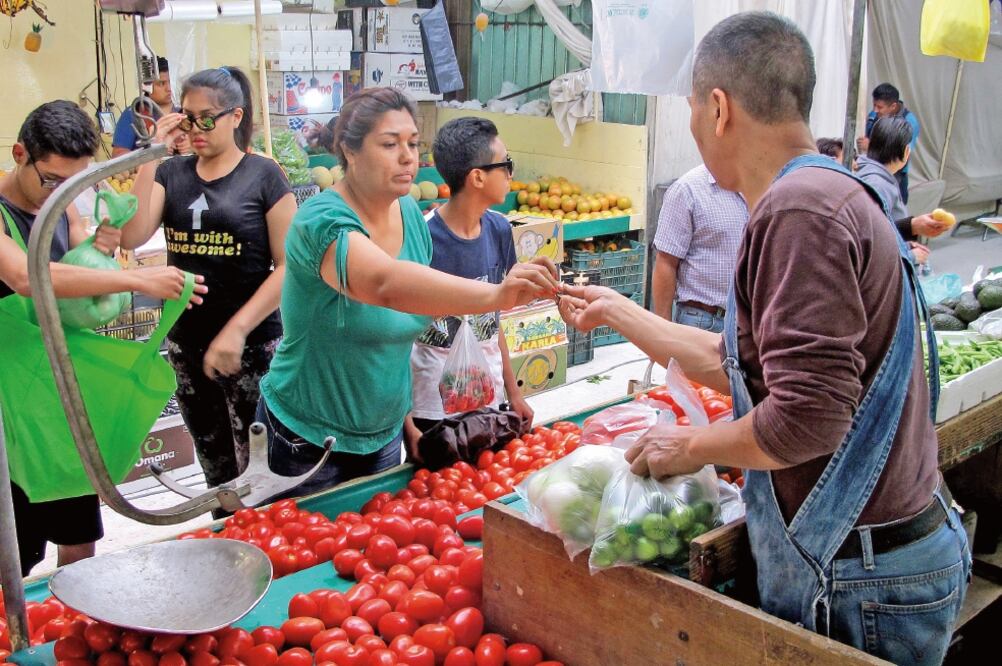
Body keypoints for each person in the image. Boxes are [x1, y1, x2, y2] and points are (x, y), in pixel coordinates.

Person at [558, 12, 970, 664]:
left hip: (859, 582)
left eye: (692, 109)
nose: (694, 128)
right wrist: (617, 311)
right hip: (879, 561)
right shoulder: (832, 189)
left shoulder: (799, 211)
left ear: (718, 109)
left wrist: (686, 445)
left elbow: (804, 420)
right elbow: (747, 371)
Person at [256, 88, 559, 497]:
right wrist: (496, 295)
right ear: (349, 150)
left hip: (382, 435)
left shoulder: (412, 221)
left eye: (413, 144)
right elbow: (385, 284)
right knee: (306, 556)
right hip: (308, 437)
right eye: (389, 144)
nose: (407, 157)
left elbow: (408, 331)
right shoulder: (322, 219)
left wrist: (406, 418)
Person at [0, 100, 204, 575]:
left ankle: (73, 612)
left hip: (54, 395)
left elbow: (75, 290)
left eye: (74, 184)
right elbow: (27, 278)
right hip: (8, 405)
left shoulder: (65, 207)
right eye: (51, 180)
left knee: (77, 522)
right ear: (19, 154)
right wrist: (136, 281)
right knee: (15, 539)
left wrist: (100, 250)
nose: (61, 193)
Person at [123, 67, 296, 496]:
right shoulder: (172, 174)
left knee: (259, 474)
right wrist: (149, 156)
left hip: (252, 347)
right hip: (186, 344)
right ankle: (224, 543)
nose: (195, 129)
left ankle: (265, 552)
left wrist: (236, 331)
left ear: (235, 117)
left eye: (207, 118)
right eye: (187, 116)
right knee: (215, 470)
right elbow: (131, 235)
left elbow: (290, 265)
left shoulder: (264, 175)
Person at [409, 117, 532, 442]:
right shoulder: (423, 236)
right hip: (432, 405)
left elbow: (495, 319)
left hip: (487, 395)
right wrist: (406, 422)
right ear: (477, 177)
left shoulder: (499, 230)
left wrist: (513, 391)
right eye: (505, 164)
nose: (510, 173)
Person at [651, 164, 748, 333]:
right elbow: (666, 262)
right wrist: (662, 331)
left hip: (745, 323)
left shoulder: (758, 184)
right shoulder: (687, 190)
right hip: (702, 321)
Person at [856, 117, 950, 265]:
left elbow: (884, 227)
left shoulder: (867, 171)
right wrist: (909, 256)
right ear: (906, 151)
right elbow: (868, 240)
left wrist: (908, 236)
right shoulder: (878, 184)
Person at [857, 83, 920, 204]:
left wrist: (870, 146)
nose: (875, 110)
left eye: (879, 107)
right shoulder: (874, 115)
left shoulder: (910, 122)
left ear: (893, 106)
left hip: (896, 175)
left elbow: (899, 151)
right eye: (874, 105)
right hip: (873, 168)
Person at [112, 57, 177, 156]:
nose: (169, 89)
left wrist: (191, 146)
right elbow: (118, 154)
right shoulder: (134, 114)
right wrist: (149, 153)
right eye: (161, 83)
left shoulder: (184, 110)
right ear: (147, 86)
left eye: (171, 82)